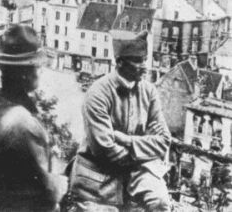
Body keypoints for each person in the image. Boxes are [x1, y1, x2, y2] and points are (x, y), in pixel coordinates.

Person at [0, 25, 67, 212]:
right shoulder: (22, 122)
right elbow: (44, 189)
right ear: (24, 73)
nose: (41, 70)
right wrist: (60, 184)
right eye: (37, 66)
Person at [69, 30, 171, 212]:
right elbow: (105, 149)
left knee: (161, 203)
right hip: (99, 177)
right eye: (138, 61)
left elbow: (163, 141)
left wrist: (124, 139)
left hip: (136, 173)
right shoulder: (98, 93)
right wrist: (143, 149)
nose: (144, 66)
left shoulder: (149, 92)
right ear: (120, 62)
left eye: (144, 59)